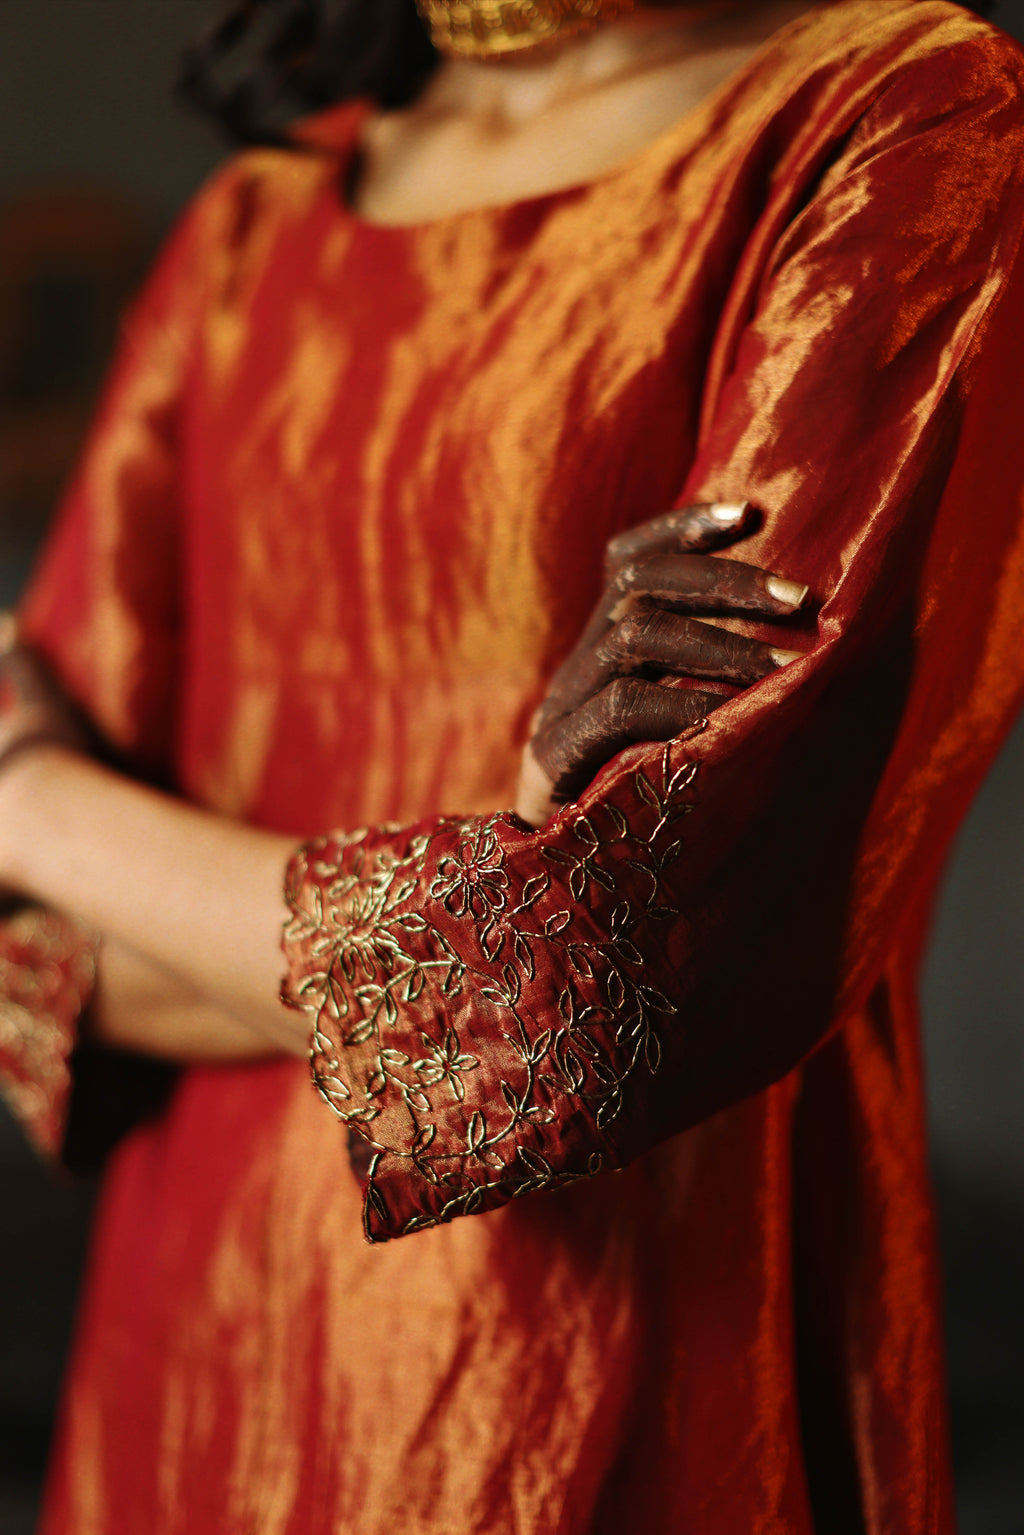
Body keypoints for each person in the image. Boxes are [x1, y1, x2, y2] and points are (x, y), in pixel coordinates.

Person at [1, 0, 1022, 1528]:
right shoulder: (255, 221)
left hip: (590, 1374)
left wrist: (32, 796)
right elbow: (41, 971)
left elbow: (600, 998)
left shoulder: (901, 116)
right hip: (189, 1358)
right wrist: (500, 859)